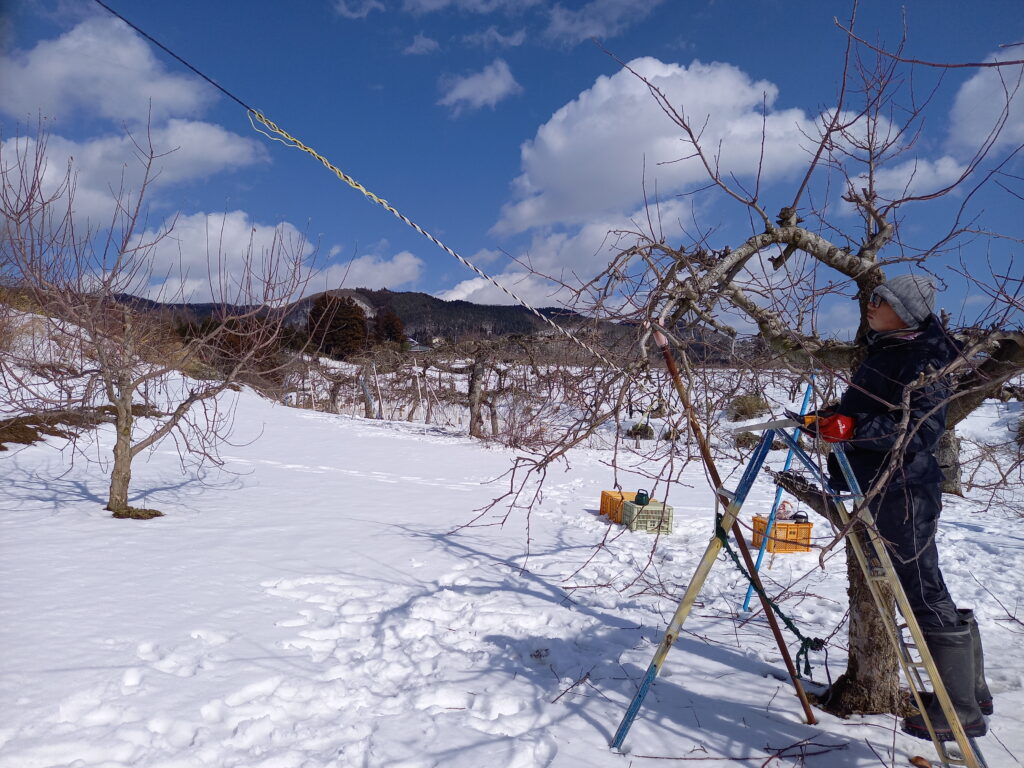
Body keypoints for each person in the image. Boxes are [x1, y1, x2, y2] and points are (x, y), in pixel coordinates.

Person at [807, 274, 992, 741]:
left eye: (879, 300)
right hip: (884, 484)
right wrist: (836, 418)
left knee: (921, 590)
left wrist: (851, 430)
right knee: (925, 585)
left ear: (905, 310)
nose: (868, 305)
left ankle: (961, 712)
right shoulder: (891, 348)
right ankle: (972, 692)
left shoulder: (925, 357)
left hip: (904, 489)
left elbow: (919, 432)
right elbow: (877, 408)